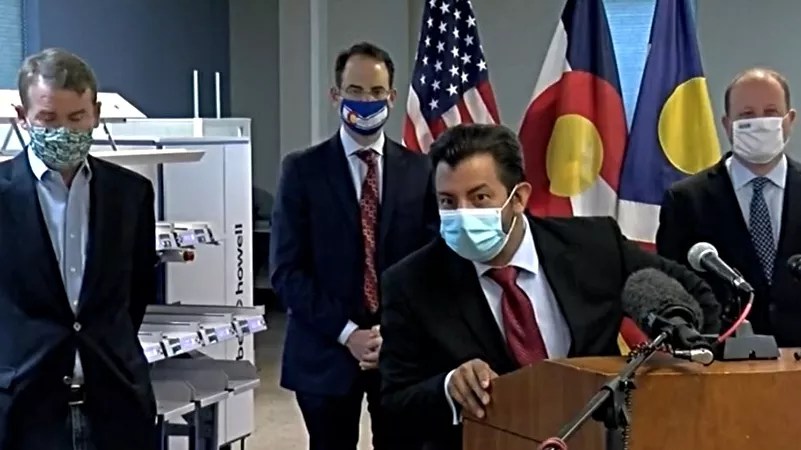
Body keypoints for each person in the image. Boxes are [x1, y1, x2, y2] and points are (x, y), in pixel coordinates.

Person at [378, 123, 720, 450]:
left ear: (518, 198)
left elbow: (698, 299)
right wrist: (447, 387)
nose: (463, 214)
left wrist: (670, 376)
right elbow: (393, 402)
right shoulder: (411, 283)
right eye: (448, 202)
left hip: (598, 438)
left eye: (479, 197)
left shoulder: (594, 246)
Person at [270, 41, 439, 450]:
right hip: (324, 350)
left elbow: (432, 262)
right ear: (336, 95)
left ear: (392, 98)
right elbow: (286, 272)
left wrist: (390, 330)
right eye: (355, 91)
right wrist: (348, 334)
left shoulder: (421, 171)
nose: (366, 102)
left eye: (376, 92)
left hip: (399, 351)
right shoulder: (302, 170)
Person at [0, 48, 157, 449]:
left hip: (117, 405)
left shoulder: (131, 194)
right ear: (22, 117)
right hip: (22, 410)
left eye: (76, 118)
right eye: (48, 119)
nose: (64, 132)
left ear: (95, 113)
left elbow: (136, 292)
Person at [657, 67, 801, 346]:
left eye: (771, 112)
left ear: (790, 120)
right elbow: (673, 290)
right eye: (747, 115)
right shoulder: (686, 200)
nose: (759, 123)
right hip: (722, 358)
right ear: (727, 124)